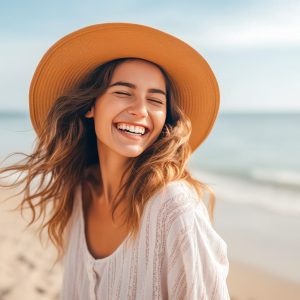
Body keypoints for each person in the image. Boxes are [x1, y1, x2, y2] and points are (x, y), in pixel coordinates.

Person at [0, 22, 230, 299]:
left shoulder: (174, 208)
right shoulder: (78, 192)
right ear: (89, 106)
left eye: (156, 101)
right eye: (123, 92)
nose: (140, 110)